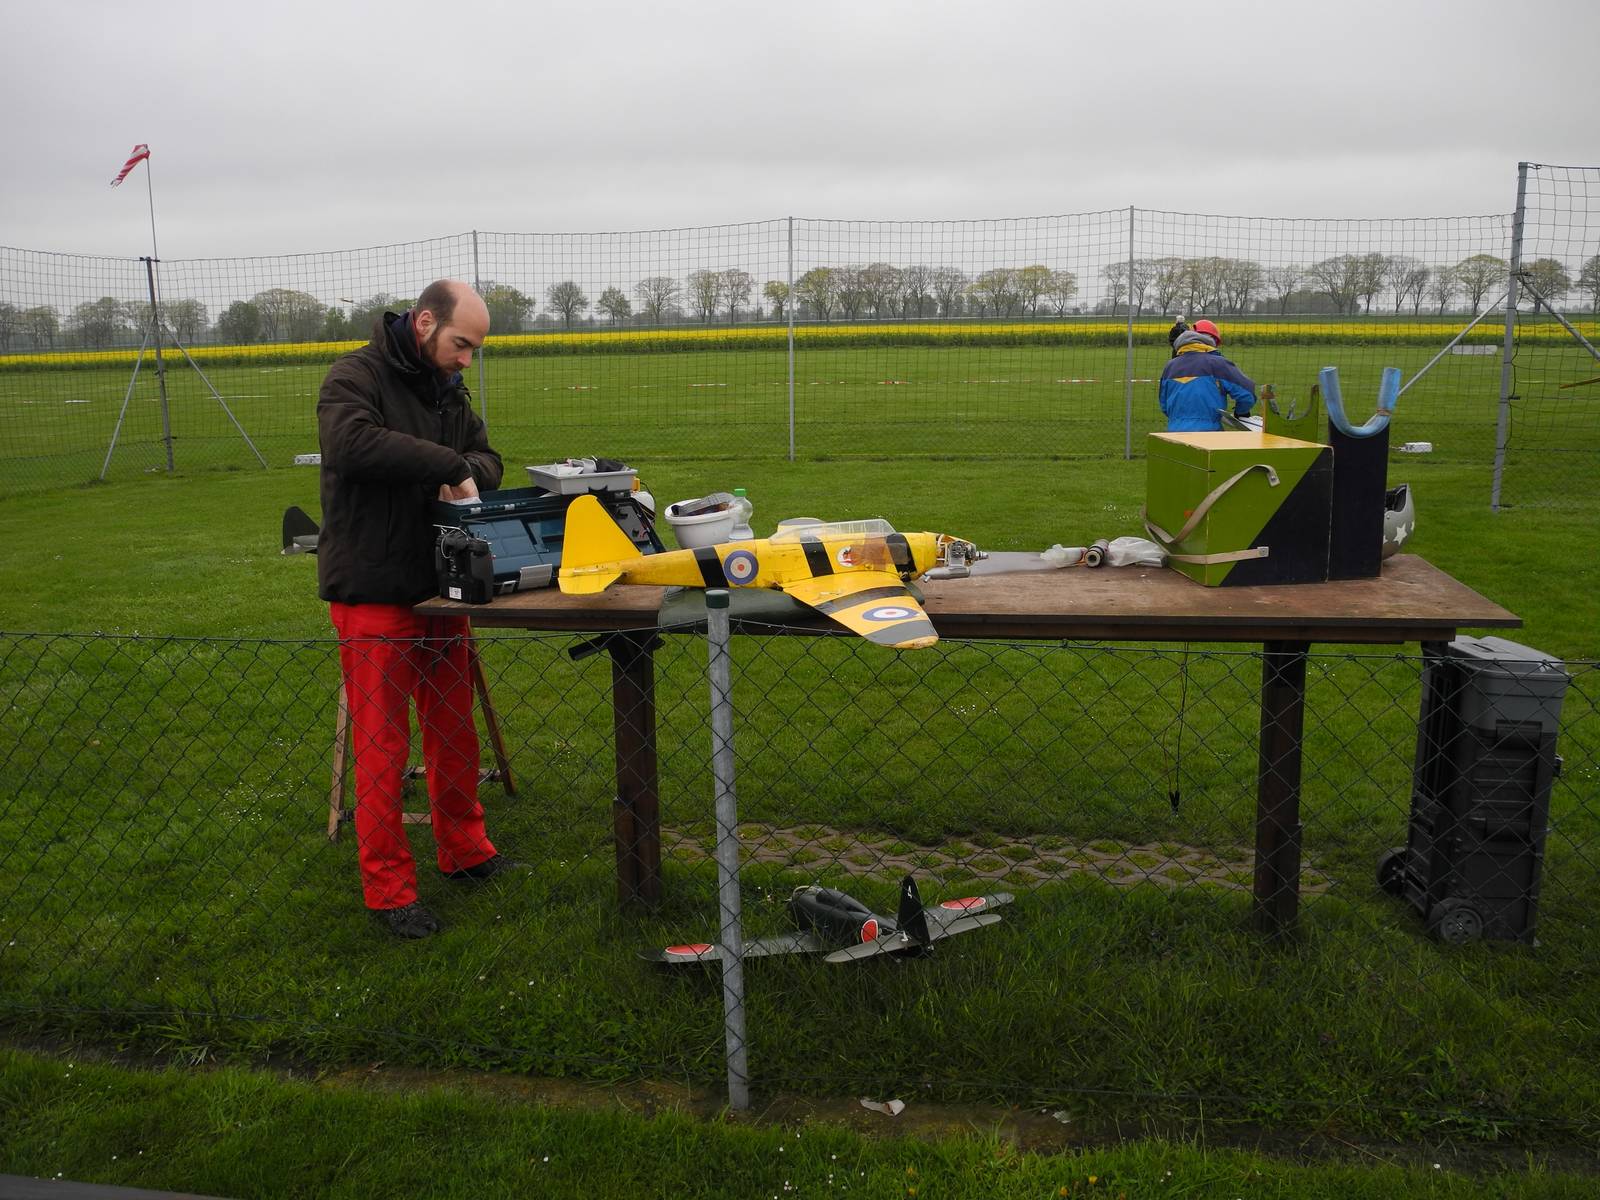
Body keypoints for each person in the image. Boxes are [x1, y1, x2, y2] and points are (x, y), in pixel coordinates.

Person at [317, 279, 513, 939]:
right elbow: (351, 445)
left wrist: (465, 469)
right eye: (461, 344)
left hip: (441, 587)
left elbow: (489, 460)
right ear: (425, 322)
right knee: (382, 747)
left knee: (455, 730)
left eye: (474, 349)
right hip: (373, 589)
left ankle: (466, 850)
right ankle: (389, 892)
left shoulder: (448, 388)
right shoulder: (354, 377)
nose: (467, 360)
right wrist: (448, 465)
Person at [1157, 318, 1261, 432]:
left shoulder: (1170, 366)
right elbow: (1247, 394)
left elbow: (1164, 404)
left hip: (1174, 431)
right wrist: (1241, 412)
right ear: (1212, 341)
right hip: (1209, 433)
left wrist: (1182, 420)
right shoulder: (1218, 363)